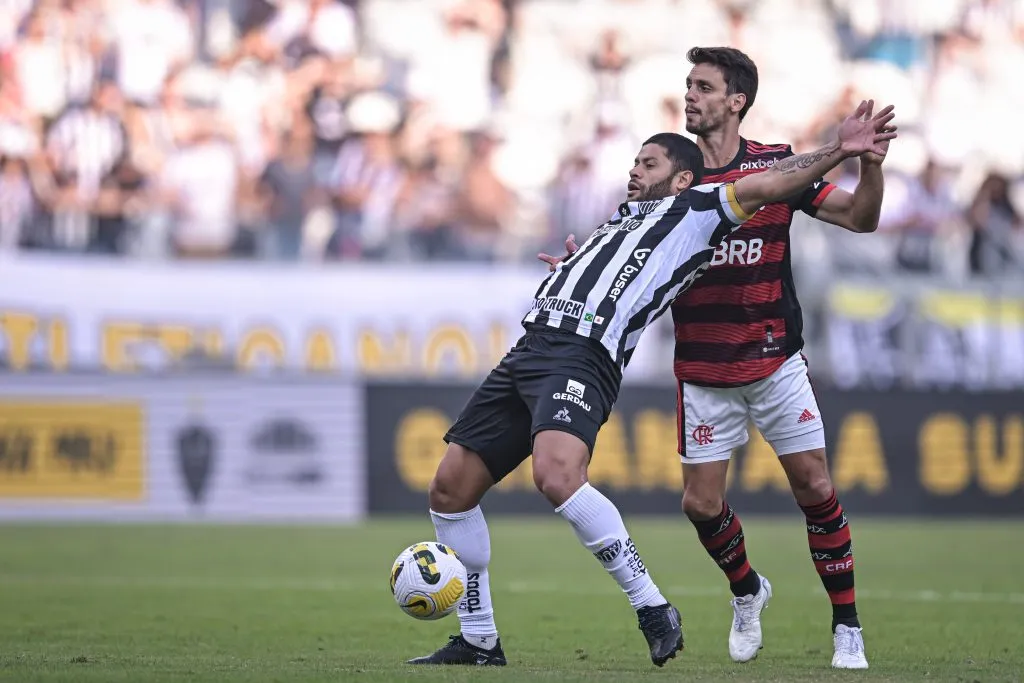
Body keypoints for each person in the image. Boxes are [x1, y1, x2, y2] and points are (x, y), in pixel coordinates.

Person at [410, 100, 896, 668]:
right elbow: (621, 269)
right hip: (530, 349)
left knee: (557, 476)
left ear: (683, 178)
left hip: (584, 355)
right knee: (449, 490)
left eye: (649, 163)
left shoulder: (699, 209)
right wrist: (577, 269)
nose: (634, 171)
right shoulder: (621, 220)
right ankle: (478, 640)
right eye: (634, 162)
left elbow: (768, 184)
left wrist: (839, 149)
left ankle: (653, 607)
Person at [543, 47, 889, 670]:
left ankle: (848, 626)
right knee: (700, 505)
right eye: (689, 85)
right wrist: (581, 266)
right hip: (703, 369)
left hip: (774, 361)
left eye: (703, 86)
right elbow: (620, 249)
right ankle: (747, 590)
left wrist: (870, 165)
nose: (691, 95)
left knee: (815, 486)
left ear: (736, 101)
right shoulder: (673, 175)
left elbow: (861, 219)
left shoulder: (777, 165)